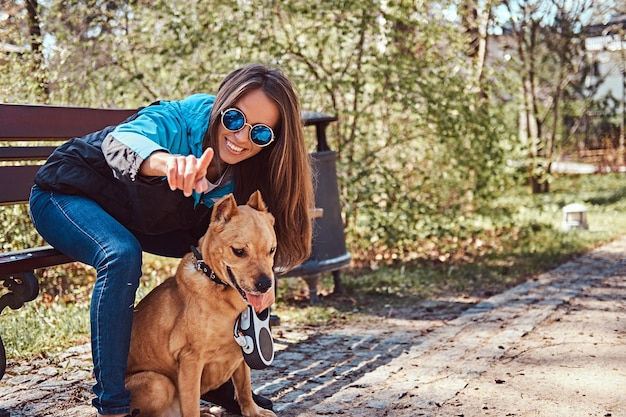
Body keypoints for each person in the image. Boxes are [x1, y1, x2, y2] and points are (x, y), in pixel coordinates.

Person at [29, 63, 314, 417]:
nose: (241, 138)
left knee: (214, 253)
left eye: (259, 134)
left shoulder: (250, 167)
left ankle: (214, 372)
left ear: (272, 140)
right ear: (221, 105)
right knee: (120, 254)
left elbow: (255, 241)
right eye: (235, 120)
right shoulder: (179, 119)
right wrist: (167, 163)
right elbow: (121, 142)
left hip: (132, 215)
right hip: (66, 194)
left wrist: (263, 280)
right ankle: (113, 403)